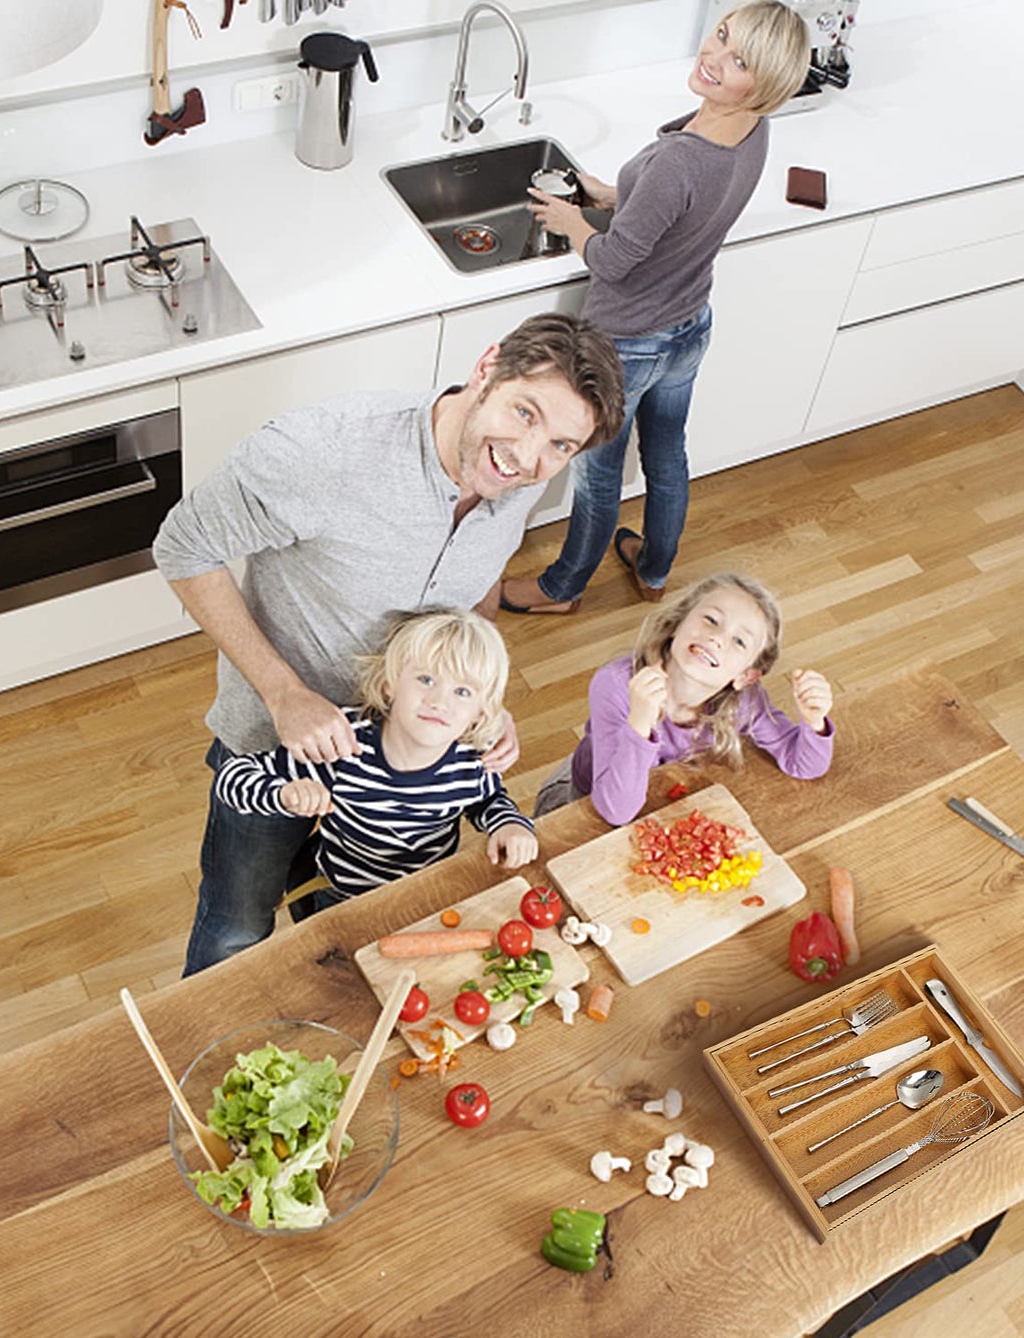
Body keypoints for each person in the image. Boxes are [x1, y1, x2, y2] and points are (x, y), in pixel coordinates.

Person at [153, 313, 625, 975]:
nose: (527, 456)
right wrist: (285, 693)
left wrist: (479, 696)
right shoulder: (324, 451)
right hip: (279, 739)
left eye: (560, 444)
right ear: (484, 368)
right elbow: (180, 546)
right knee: (236, 926)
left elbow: (480, 582)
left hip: (413, 755)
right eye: (523, 412)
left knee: (334, 918)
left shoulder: (520, 479)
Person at [500, 3, 811, 615]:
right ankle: (656, 569)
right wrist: (617, 195)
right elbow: (682, 207)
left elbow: (615, 260)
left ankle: (562, 588)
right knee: (667, 453)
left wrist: (570, 221)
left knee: (596, 473)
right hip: (690, 325)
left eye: (739, 59)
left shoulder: (678, 161)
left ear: (765, 84)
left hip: (627, 344)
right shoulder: (753, 130)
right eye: (722, 35)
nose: (714, 57)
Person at [212, 610, 536, 914]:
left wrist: (509, 824)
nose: (439, 702)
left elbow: (488, 800)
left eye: (462, 692)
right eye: (425, 679)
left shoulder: (472, 760)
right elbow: (231, 777)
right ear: (389, 684)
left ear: (480, 713)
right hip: (340, 897)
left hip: (422, 896)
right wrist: (283, 795)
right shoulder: (344, 744)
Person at [536, 572, 834, 826]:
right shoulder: (616, 684)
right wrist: (639, 724)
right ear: (678, 623)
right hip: (583, 803)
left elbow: (804, 765)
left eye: (739, 641)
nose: (717, 638)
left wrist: (814, 721)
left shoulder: (745, 702)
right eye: (711, 620)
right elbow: (615, 810)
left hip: (658, 806)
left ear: (746, 676)